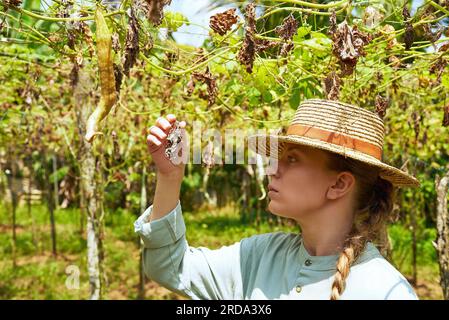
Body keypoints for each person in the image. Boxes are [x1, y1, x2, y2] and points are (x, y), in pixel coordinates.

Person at [134, 99, 420, 300]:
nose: (273, 168)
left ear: (339, 183)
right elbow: (171, 268)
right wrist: (170, 177)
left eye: (292, 159)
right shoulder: (260, 255)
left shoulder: (385, 290)